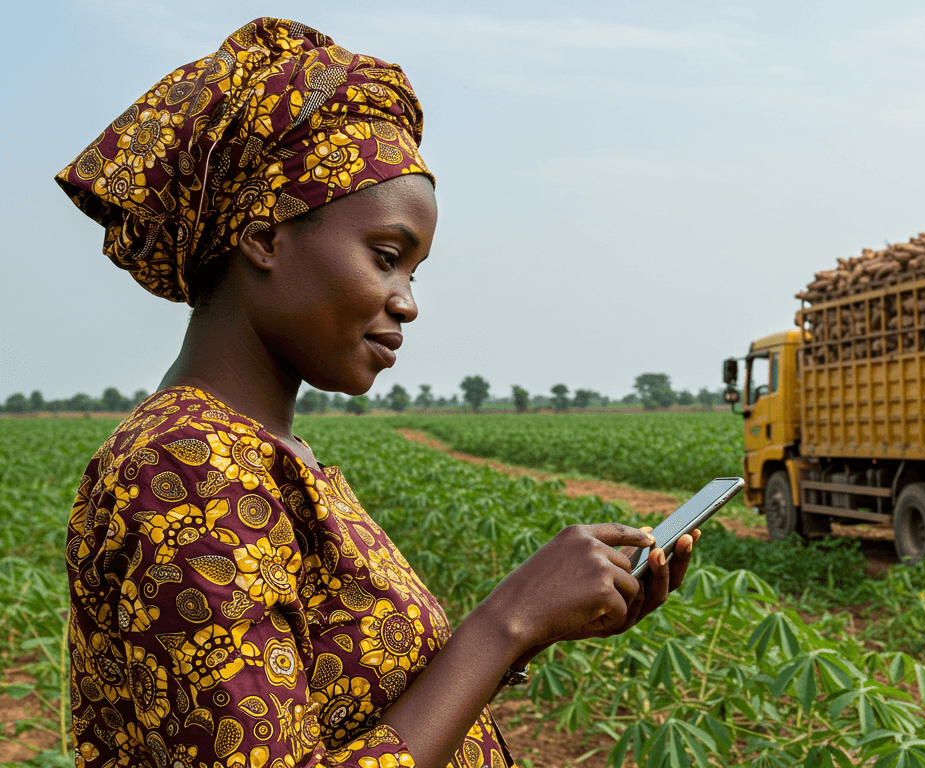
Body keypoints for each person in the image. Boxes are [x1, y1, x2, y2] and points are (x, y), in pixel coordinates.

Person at [55, 18, 697, 768]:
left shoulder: (255, 454)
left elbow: (351, 701)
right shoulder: (189, 469)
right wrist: (506, 621)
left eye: (413, 273)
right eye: (386, 257)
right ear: (265, 235)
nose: (407, 302)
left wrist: (545, 619)